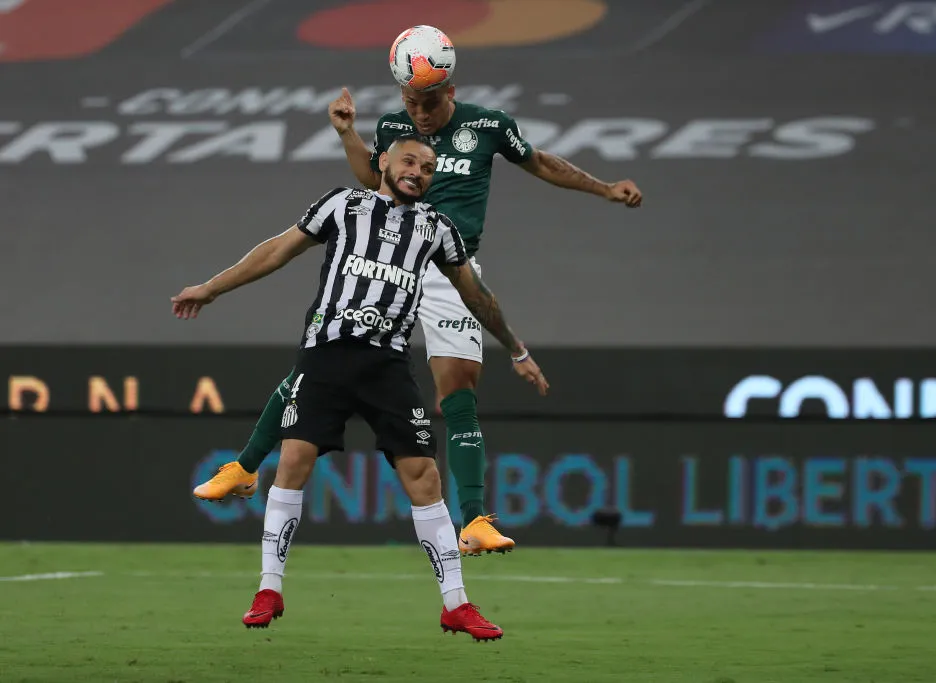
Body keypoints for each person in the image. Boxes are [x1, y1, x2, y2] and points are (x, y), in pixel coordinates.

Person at [194, 78, 641, 557]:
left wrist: (604, 189)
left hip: (452, 267)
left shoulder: (488, 126)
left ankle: (473, 521)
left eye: (428, 103)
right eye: (410, 102)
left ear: (450, 90)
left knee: (458, 389)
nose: (419, 113)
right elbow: (373, 179)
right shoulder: (393, 128)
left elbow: (540, 162)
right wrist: (348, 135)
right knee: (324, 363)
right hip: (390, 259)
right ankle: (244, 467)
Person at [172, 133, 548, 640]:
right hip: (326, 355)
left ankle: (457, 605)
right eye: (410, 161)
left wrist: (517, 349)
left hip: (387, 367)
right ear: (384, 163)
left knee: (425, 478)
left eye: (430, 167)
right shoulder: (343, 204)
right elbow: (277, 251)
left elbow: (478, 298)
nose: (419, 171)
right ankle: (268, 589)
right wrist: (211, 288)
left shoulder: (437, 229)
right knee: (293, 462)